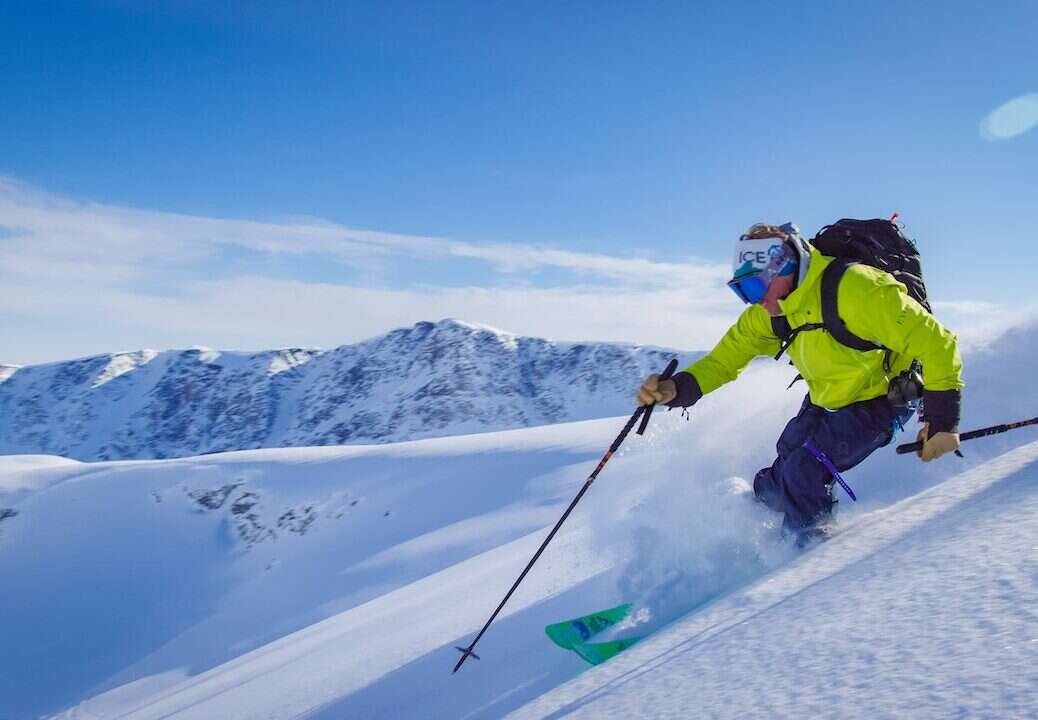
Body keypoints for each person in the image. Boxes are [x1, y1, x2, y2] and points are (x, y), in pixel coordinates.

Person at [637, 222, 963, 543]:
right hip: (830, 395)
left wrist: (941, 422)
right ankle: (754, 537)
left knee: (804, 471)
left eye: (754, 287)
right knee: (784, 463)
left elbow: (938, 343)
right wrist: (676, 389)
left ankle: (807, 562)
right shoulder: (771, 312)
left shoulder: (856, 290)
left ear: (784, 267)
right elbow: (724, 361)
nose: (753, 300)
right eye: (742, 290)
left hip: (887, 396)